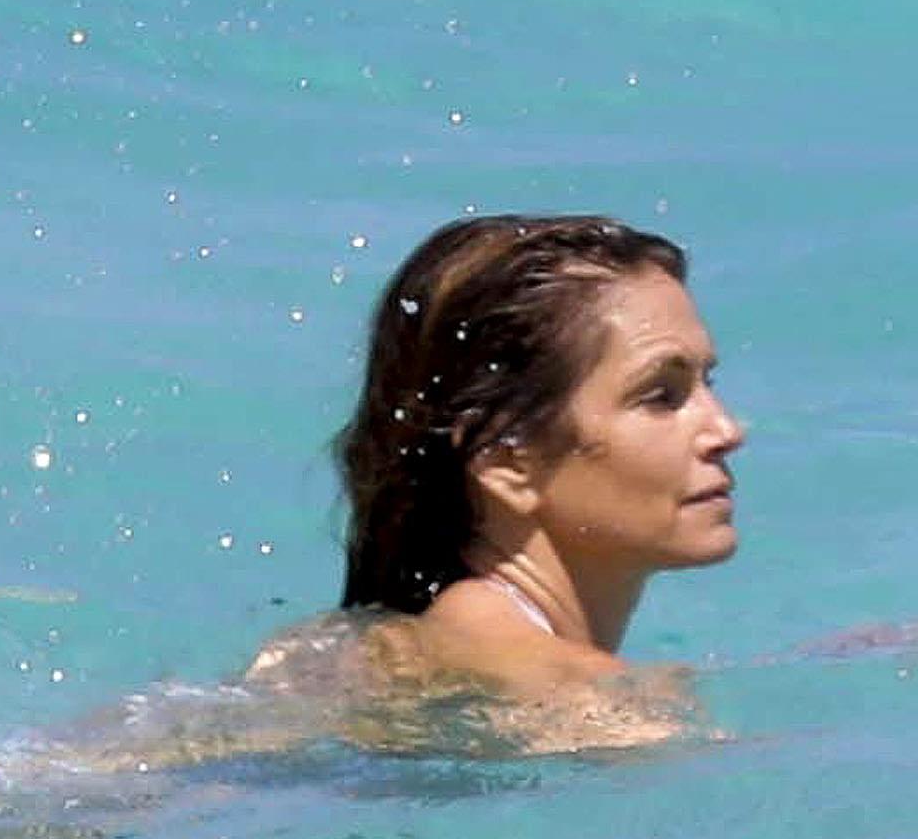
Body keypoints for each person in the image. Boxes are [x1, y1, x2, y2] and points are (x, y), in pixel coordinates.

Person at [318, 212, 743, 707]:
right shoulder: (596, 703)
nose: (726, 430)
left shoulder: (427, 644)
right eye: (661, 397)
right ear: (508, 463)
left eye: (705, 383)